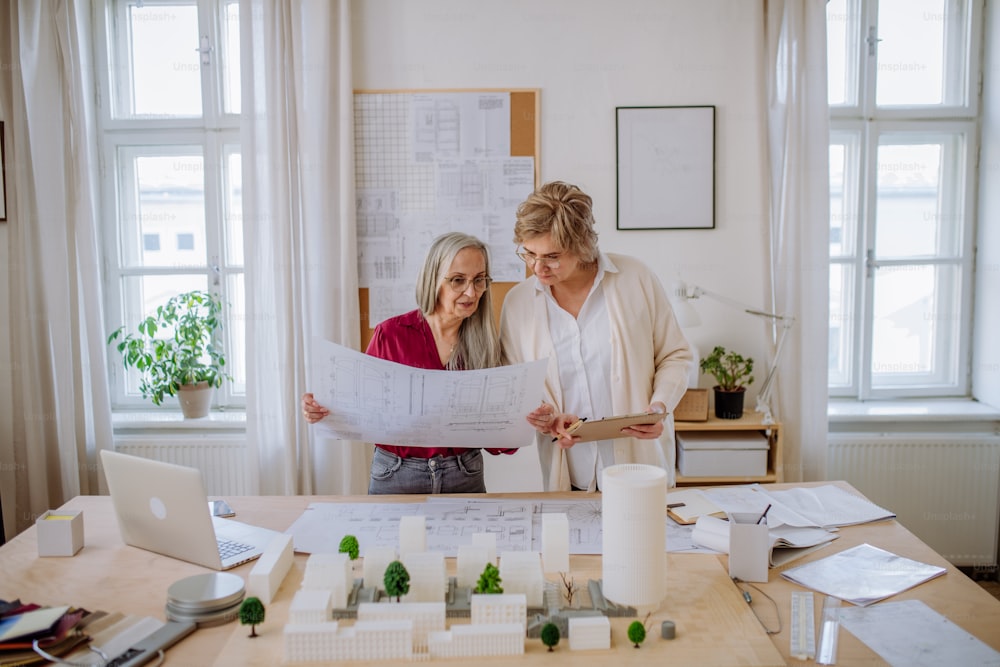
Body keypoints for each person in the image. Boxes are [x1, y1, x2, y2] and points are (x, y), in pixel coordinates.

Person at [499, 181, 694, 492]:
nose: (538, 267)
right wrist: (543, 415)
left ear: (581, 245)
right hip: (570, 472)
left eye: (552, 256)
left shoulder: (635, 278)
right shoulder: (518, 303)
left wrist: (660, 407)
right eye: (529, 253)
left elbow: (675, 355)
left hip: (638, 468)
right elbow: (515, 384)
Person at [302, 232, 511, 494]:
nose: (471, 292)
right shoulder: (391, 335)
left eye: (479, 280)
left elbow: (498, 441)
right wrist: (322, 410)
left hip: (464, 474)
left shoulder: (487, 344)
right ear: (433, 279)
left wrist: (521, 423)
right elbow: (359, 407)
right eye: (458, 280)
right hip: (397, 474)